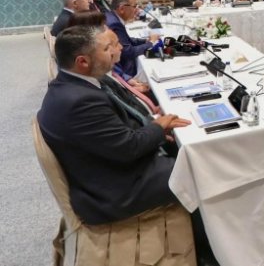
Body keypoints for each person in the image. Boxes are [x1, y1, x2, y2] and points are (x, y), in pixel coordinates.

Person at [37, 26, 191, 225]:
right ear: (82, 61)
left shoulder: (78, 83)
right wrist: (157, 128)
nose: (113, 51)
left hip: (109, 165)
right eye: (105, 48)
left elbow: (121, 131)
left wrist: (153, 128)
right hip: (115, 190)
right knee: (196, 168)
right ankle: (204, 239)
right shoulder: (79, 102)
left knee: (186, 148)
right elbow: (129, 148)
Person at [104, 0, 160, 80]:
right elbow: (128, 52)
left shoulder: (112, 17)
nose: (137, 9)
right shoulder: (115, 24)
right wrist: (151, 43)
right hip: (126, 71)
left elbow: (126, 40)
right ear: (122, 9)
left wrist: (144, 41)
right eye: (134, 6)